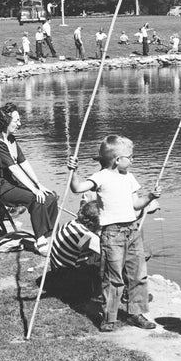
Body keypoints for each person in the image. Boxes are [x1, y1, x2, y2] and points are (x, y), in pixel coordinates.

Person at [67, 134, 161, 332]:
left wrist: (150, 197)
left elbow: (136, 204)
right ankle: (109, 317)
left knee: (138, 275)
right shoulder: (100, 177)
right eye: (131, 157)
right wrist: (73, 171)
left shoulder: (129, 178)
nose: (133, 160)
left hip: (132, 230)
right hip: (112, 233)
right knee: (113, 278)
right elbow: (77, 188)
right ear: (118, 160)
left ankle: (136, 313)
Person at [0, 103, 58, 256]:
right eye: (17, 120)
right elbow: (14, 168)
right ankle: (40, 241)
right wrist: (34, 190)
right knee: (35, 198)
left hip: (7, 182)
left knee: (50, 197)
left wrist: (38, 184)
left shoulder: (11, 139)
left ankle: (49, 236)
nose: (20, 124)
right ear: (6, 121)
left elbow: (23, 162)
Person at [43, 200, 102, 296]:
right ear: (93, 223)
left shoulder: (72, 223)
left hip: (58, 272)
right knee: (109, 256)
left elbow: (83, 245)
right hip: (69, 280)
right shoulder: (85, 236)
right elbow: (107, 252)